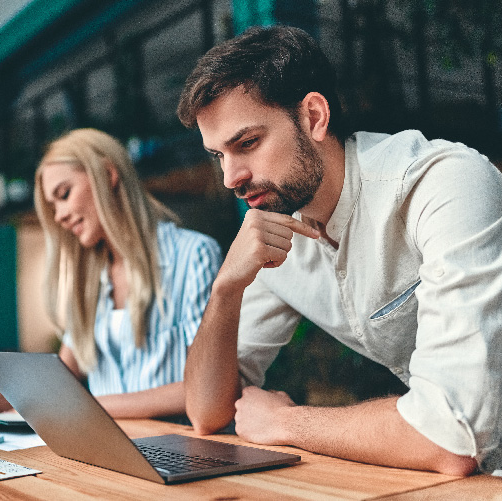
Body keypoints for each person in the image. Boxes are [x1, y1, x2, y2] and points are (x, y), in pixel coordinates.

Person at [176, 25, 502, 476]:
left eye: (246, 143)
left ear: (313, 117)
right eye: (218, 156)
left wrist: (285, 421)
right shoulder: (278, 233)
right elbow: (206, 414)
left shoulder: (441, 184)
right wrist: (225, 291)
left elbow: (450, 434)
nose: (231, 177)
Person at [0, 128, 222, 419]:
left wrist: (89, 406)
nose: (59, 215)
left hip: (177, 448)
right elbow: (62, 377)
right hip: (106, 449)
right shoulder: (91, 278)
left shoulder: (194, 255)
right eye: (53, 206)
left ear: (107, 175)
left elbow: (205, 388)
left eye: (64, 194)